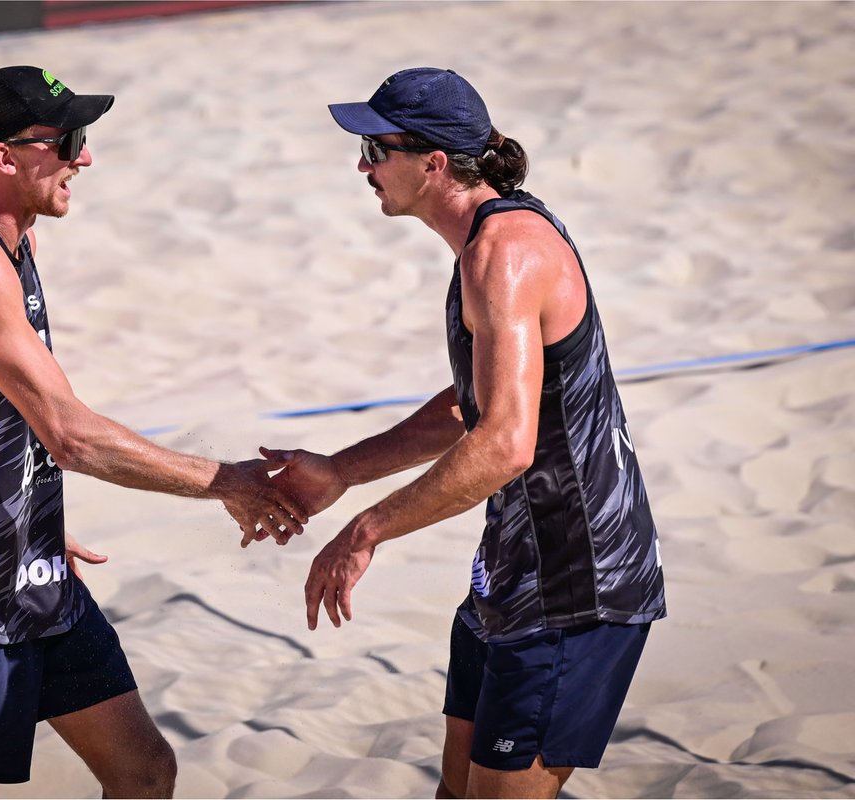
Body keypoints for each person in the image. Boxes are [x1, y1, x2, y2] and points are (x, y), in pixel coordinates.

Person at [0, 65, 306, 799]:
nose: (83, 158)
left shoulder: (14, 243)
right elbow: (72, 434)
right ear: (4, 157)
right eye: (67, 141)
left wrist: (21, 504)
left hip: (29, 569)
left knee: (144, 771)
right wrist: (229, 482)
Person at [259, 67, 666, 799]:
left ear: (433, 162)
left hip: (579, 577)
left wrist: (366, 531)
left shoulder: (504, 253)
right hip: (512, 566)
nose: (362, 167)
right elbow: (469, 406)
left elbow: (505, 442)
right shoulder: (485, 240)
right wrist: (342, 469)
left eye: (375, 150)